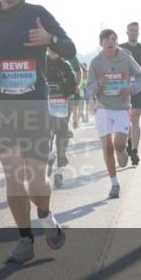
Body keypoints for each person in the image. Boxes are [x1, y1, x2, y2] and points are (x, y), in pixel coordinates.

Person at [0, 0, 74, 264]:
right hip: (2, 106)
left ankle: (45, 214)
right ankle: (25, 239)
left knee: (36, 179)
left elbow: (70, 48)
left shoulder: (37, 14)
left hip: (35, 105)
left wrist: (50, 40)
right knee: (13, 173)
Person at [87, 29, 141, 198]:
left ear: (117, 41)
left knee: (119, 144)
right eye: (106, 39)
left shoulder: (126, 58)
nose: (110, 42)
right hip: (103, 107)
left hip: (121, 108)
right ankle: (114, 183)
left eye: (113, 39)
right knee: (107, 147)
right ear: (101, 43)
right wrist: (99, 83)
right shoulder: (96, 63)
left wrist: (131, 89)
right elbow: (89, 89)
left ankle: (122, 150)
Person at [120, 22, 141, 166]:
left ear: (138, 33)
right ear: (127, 32)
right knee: (126, 118)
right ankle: (129, 140)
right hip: (124, 86)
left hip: (139, 85)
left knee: (136, 117)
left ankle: (134, 151)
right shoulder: (120, 48)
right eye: (131, 30)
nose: (133, 32)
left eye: (136, 30)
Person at [45, 48, 76, 189]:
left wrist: (63, 87)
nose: (53, 51)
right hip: (45, 107)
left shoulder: (65, 65)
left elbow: (72, 87)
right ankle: (50, 156)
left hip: (61, 106)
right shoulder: (41, 62)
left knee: (61, 138)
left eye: (55, 48)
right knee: (46, 137)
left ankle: (59, 173)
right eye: (50, 48)